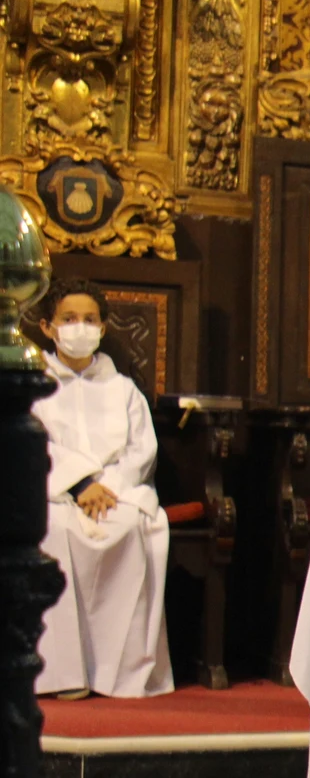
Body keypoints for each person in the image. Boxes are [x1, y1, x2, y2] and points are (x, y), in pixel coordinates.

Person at [32, 278, 174, 702]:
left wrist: (105, 489)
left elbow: (141, 451)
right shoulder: (32, 383)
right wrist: (79, 485)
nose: (80, 328)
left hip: (116, 496)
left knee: (130, 528)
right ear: (47, 327)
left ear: (103, 326)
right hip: (54, 493)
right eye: (69, 319)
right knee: (53, 531)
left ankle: (116, 672)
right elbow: (31, 443)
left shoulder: (123, 390)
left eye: (89, 319)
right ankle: (62, 672)